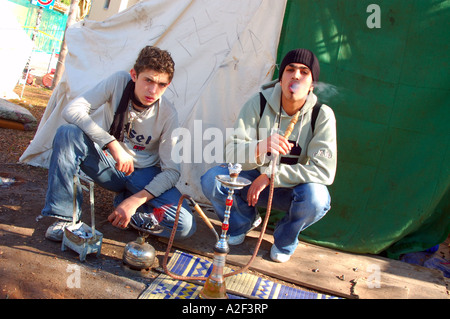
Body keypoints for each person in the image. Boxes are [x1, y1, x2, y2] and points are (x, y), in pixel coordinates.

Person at [42, 46, 196, 242]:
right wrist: (110, 142)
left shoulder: (168, 113)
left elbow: (172, 171)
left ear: (168, 84)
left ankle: (128, 208)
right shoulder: (118, 83)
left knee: (184, 226)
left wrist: (134, 201)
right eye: (148, 80)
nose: (153, 90)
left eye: (161, 84)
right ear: (134, 75)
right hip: (109, 165)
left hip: (143, 174)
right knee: (67, 133)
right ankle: (64, 218)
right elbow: (73, 110)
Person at [201, 49, 337, 263]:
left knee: (318, 199)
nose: (296, 76)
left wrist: (271, 175)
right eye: (290, 70)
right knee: (212, 179)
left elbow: (324, 171)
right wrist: (260, 146)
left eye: (304, 72)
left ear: (311, 85)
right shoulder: (258, 103)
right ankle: (242, 222)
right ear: (281, 79)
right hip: (251, 185)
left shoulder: (322, 115)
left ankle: (284, 239)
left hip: (291, 192)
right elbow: (229, 153)